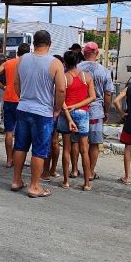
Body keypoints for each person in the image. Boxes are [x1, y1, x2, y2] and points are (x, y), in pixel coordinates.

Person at [11, 30, 66, 198]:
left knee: (20, 145)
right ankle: (35, 186)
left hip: (23, 108)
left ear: (34, 43)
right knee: (39, 149)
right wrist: (57, 108)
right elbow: (61, 89)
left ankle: (16, 180)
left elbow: (15, 83)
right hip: (43, 112)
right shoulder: (55, 63)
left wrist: (23, 97)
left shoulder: (22, 59)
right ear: (49, 44)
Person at [57, 50, 96, 190]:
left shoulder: (63, 77)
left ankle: (66, 181)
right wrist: (78, 106)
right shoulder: (87, 77)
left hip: (66, 113)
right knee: (84, 149)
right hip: (83, 113)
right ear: (78, 61)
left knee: (66, 149)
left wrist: (68, 110)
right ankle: (86, 183)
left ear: (65, 62)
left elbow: (60, 99)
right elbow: (92, 97)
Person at [0, 43, 30, 168]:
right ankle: (18, 158)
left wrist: (2, 86)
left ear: (17, 52)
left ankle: (8, 159)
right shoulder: (28, 64)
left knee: (8, 131)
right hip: (22, 100)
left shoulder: (8, 63)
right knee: (21, 132)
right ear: (28, 53)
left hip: (8, 99)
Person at [77, 42, 114, 180]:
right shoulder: (104, 71)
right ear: (97, 54)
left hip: (78, 109)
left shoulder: (76, 68)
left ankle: (75, 169)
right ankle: (90, 172)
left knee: (77, 142)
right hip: (96, 111)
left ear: (83, 53)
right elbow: (108, 93)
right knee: (94, 143)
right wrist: (106, 111)